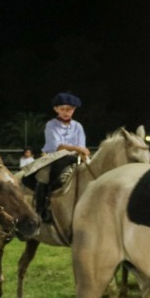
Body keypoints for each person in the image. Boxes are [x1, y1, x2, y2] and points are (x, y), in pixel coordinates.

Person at [33, 92, 90, 222]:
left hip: (76, 158)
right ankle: (41, 210)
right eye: (62, 109)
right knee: (44, 176)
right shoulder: (51, 125)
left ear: (74, 109)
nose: (65, 112)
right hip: (54, 158)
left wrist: (82, 152)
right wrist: (77, 149)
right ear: (56, 109)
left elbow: (82, 145)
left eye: (69, 109)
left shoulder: (78, 126)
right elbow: (56, 146)